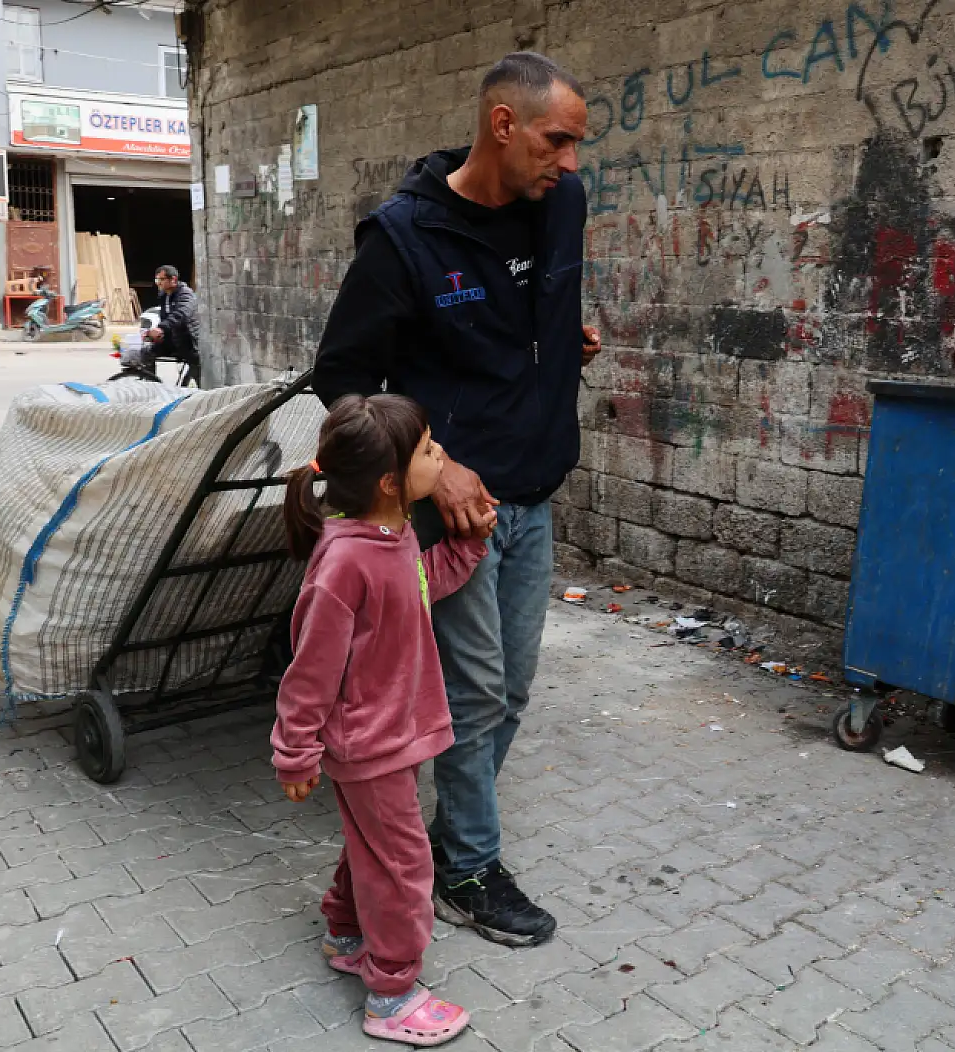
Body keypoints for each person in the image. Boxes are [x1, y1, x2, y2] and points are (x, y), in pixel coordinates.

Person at [313, 50, 600, 947]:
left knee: (510, 692)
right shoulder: (404, 238)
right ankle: (468, 868)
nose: (569, 162)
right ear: (502, 124)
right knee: (473, 698)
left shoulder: (561, 204)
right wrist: (435, 470)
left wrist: (562, 342)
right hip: (451, 510)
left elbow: (523, 318)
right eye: (557, 140)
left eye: (576, 145)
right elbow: (342, 379)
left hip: (534, 488)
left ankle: (443, 840)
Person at [273, 394, 493, 1044]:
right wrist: (295, 752)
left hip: (391, 735)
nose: (441, 454)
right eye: (427, 449)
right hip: (371, 744)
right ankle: (392, 994)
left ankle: (346, 934)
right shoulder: (344, 562)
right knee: (403, 865)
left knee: (372, 846)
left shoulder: (392, 536)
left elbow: (416, 588)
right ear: (391, 482)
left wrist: (467, 546)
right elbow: (310, 670)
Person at [148, 265, 201, 386]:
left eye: (161, 279)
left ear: (173, 280)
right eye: (157, 280)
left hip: (188, 340)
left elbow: (181, 314)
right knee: (147, 353)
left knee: (196, 369)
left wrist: (161, 328)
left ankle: (198, 387)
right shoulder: (164, 295)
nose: (158, 283)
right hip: (171, 340)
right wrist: (157, 333)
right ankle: (151, 385)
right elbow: (165, 317)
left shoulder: (185, 294)